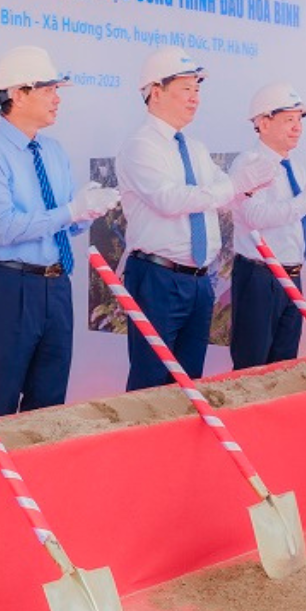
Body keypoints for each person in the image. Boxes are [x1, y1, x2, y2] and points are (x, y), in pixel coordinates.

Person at [0, 45, 117, 415]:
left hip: (57, 284)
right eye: (48, 90)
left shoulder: (53, 151)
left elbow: (62, 224)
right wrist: (69, 211)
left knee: (50, 399)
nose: (57, 99)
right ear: (18, 94)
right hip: (10, 286)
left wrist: (85, 213)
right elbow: (3, 228)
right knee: (1, 397)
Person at [116, 47, 264, 388]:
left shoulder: (194, 148)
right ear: (155, 92)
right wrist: (234, 186)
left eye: (197, 89)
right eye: (186, 89)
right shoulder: (141, 146)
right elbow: (170, 200)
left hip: (198, 280)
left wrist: (249, 186)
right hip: (157, 276)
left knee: (188, 382)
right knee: (150, 383)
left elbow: (221, 195)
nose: (195, 98)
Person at [228, 82, 306, 367]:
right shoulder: (249, 164)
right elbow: (256, 217)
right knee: (252, 366)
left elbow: (297, 223)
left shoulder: (297, 168)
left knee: (284, 366)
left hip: (292, 274)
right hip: (259, 276)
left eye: (299, 119)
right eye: (289, 119)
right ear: (264, 123)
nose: (297, 127)